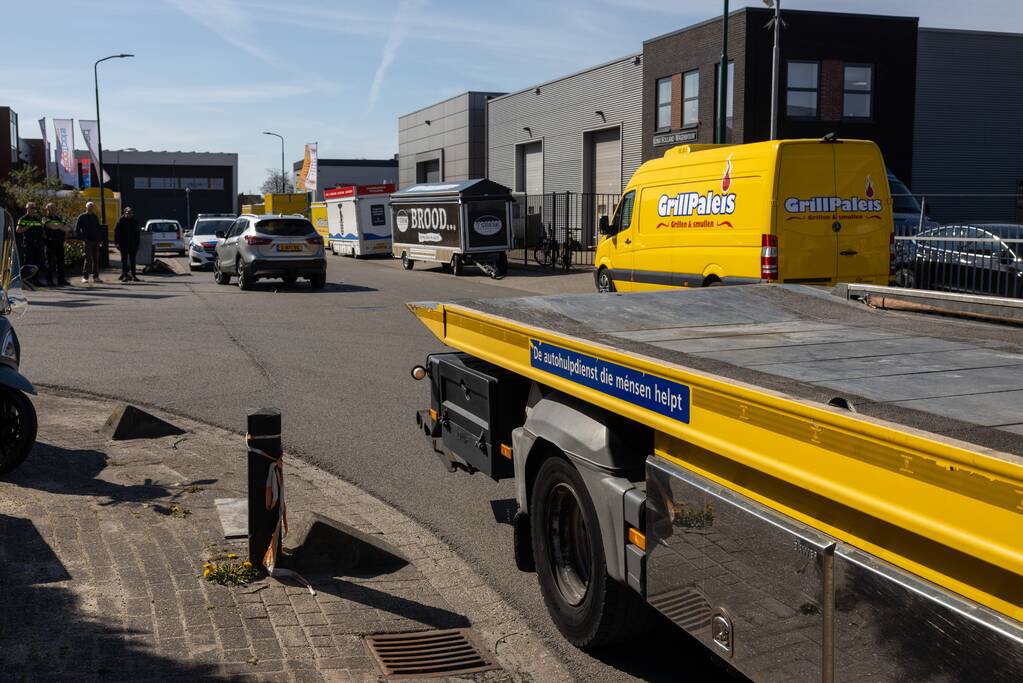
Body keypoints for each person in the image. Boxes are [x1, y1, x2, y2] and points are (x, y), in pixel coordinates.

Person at [15, 202, 45, 285]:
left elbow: (41, 230)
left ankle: (36, 280)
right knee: (29, 262)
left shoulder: (37, 219)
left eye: (35, 208)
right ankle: (27, 281)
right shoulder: (23, 219)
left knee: (37, 262)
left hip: (37, 244)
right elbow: (17, 230)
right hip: (28, 243)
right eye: (32, 208)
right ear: (27, 208)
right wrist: (26, 227)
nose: (34, 209)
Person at [75, 202, 103, 283]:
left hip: (96, 241)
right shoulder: (82, 217)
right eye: (89, 206)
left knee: (96, 259)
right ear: (86, 207)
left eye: (92, 206)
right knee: (88, 259)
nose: (91, 208)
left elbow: (98, 228)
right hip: (87, 241)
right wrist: (82, 238)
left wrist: (99, 239)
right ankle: (85, 277)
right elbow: (77, 229)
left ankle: (96, 277)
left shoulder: (95, 217)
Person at [43, 202, 70, 287]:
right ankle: (49, 281)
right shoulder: (44, 218)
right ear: (46, 209)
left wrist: (57, 226)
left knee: (61, 262)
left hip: (59, 242)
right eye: (50, 208)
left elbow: (67, 229)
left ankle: (61, 279)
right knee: (50, 262)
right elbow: (51, 227)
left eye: (53, 208)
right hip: (50, 242)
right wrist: (60, 226)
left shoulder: (59, 218)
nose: (52, 209)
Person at [114, 207, 141, 282]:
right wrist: (116, 243)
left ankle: (134, 276)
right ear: (124, 213)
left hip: (132, 244)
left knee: (133, 261)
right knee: (124, 261)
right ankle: (125, 276)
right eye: (128, 213)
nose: (129, 214)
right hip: (123, 244)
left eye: (131, 213)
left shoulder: (134, 221)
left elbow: (137, 233)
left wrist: (137, 244)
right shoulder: (121, 220)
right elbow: (116, 232)